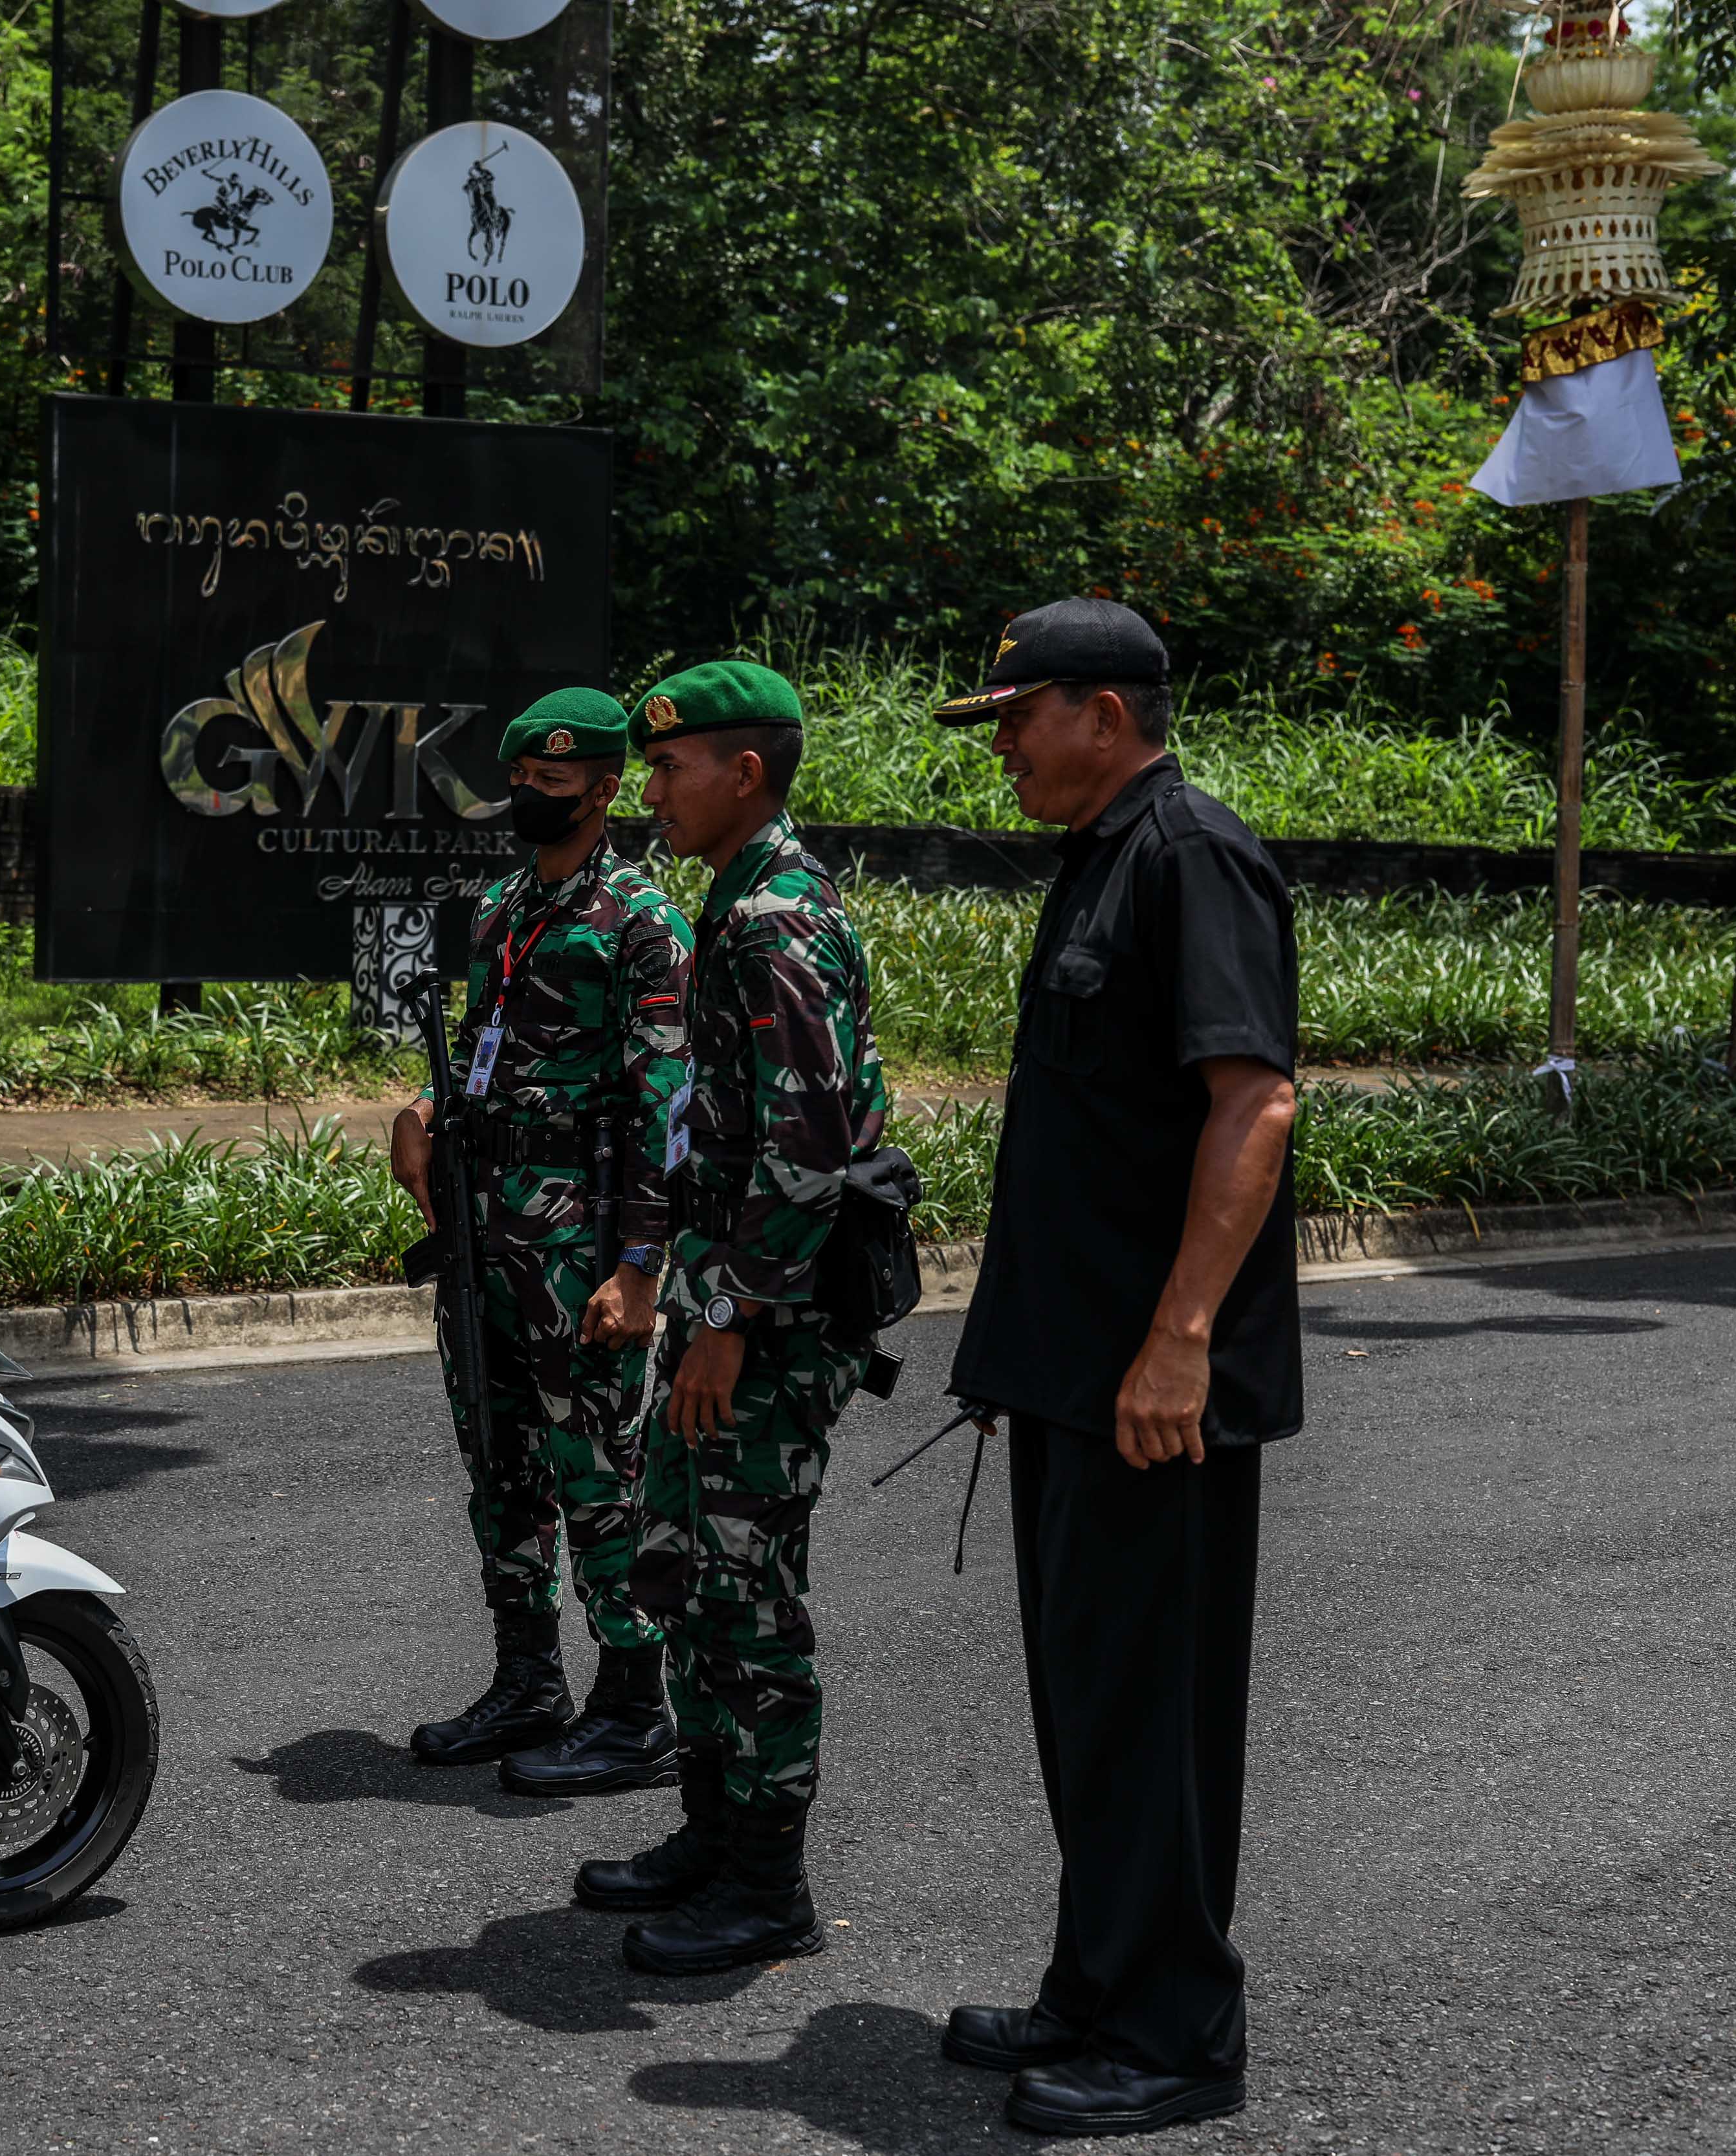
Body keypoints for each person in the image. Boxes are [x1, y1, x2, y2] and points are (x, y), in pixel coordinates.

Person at [928, 598, 1301, 2139]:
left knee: (1151, 1708)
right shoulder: (1101, 853)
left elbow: (1255, 1104)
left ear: (1104, 709)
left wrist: (1178, 1342)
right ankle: (1095, 1981)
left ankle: (1172, 2029)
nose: (1000, 746)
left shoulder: (1192, 851)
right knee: (1087, 1696)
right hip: (1073, 1371)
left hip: (1151, 1385)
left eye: (1017, 716)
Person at [570, 660, 890, 1976]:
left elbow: (812, 1145)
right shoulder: (745, 899)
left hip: (764, 1319)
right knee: (696, 1574)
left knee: (749, 1596)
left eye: (666, 765)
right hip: (728, 1300)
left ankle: (769, 1884)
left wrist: (733, 1318)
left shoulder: (773, 919)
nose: (647, 789)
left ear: (741, 771)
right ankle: (712, 1834)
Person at [390, 688, 692, 1796]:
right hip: (488, 1233)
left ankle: (632, 1702)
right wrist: (424, 1113)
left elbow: (669, 1102)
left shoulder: (642, 922)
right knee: (501, 1462)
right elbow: (482, 1049)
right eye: (518, 779)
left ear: (606, 788)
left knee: (596, 1468)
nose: (527, 797)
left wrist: (641, 1267)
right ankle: (528, 1678)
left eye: (550, 783)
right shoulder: (504, 908)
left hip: (583, 1242)